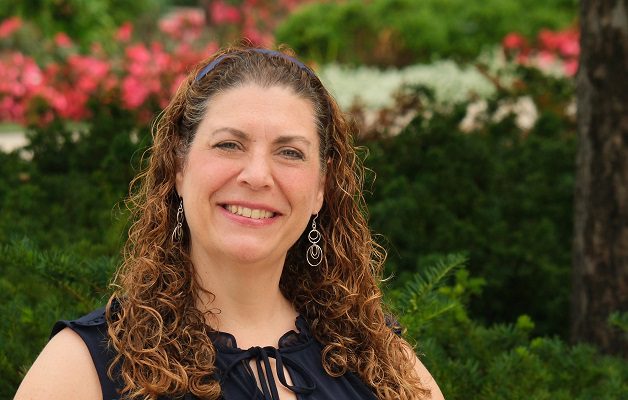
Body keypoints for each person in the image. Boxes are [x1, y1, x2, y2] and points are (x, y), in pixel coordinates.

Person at [15, 46, 445, 400]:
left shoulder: (385, 364)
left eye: (290, 152)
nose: (257, 175)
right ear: (179, 167)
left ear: (320, 188)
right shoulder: (83, 370)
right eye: (229, 144)